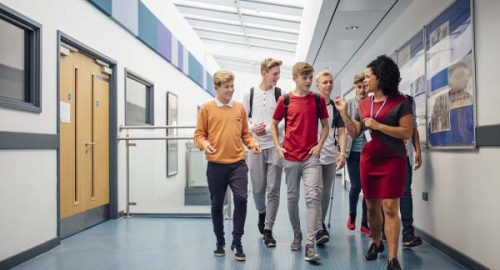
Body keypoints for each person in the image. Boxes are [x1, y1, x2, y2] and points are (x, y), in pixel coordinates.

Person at [334, 55, 413, 270]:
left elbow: (406, 132)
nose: (365, 80)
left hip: (393, 161)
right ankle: (376, 242)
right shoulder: (364, 103)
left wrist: (379, 126)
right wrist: (344, 114)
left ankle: (393, 258)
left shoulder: (400, 102)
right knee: (372, 209)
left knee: (389, 207)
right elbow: (355, 131)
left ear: (381, 77)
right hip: (369, 161)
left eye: (369, 76)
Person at [194, 70, 261, 261]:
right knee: (216, 205)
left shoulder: (239, 108)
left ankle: (237, 241)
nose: (230, 90)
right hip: (215, 165)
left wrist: (253, 144)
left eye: (232, 86)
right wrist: (205, 144)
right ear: (216, 87)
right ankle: (220, 241)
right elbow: (199, 135)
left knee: (241, 199)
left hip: (237, 163)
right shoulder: (207, 108)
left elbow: (245, 134)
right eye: (226, 87)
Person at [270, 62, 329, 262]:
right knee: (292, 199)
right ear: (295, 77)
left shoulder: (318, 100)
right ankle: (297, 234)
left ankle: (310, 245)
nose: (308, 81)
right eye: (304, 77)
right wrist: (278, 146)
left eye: (310, 77)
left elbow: (326, 126)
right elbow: (273, 124)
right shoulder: (285, 100)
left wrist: (319, 146)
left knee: (313, 198)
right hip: (290, 157)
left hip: (311, 157)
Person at [242, 58, 284, 247]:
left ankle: (268, 230)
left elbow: (286, 121)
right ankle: (261, 212)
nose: (277, 77)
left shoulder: (280, 94)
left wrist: (268, 129)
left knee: (273, 190)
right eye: (274, 73)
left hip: (276, 146)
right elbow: (243, 121)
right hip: (256, 147)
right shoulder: (249, 94)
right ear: (264, 72)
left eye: (278, 73)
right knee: (258, 189)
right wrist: (253, 128)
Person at [313, 70, 347, 245]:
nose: (328, 85)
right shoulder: (311, 104)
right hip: (313, 157)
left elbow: (342, 132)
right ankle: (318, 228)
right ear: (317, 85)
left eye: (330, 82)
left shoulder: (336, 107)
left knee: (325, 193)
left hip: (331, 157)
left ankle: (319, 224)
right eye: (325, 82)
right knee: (316, 192)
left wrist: (342, 153)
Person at [344, 73, 372, 237]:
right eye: (359, 87)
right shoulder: (348, 104)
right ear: (355, 87)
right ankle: (352, 215)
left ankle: (364, 223)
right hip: (352, 151)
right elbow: (342, 129)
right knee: (356, 186)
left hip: (368, 151)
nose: (362, 90)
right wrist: (340, 151)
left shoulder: (372, 103)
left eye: (364, 86)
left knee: (368, 188)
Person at [400, 94, 423, 248]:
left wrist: (418, 150)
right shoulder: (380, 99)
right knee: (385, 196)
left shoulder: (408, 100)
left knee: (405, 193)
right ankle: (382, 230)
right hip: (385, 157)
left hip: (404, 156)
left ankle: (408, 234)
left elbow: (413, 127)